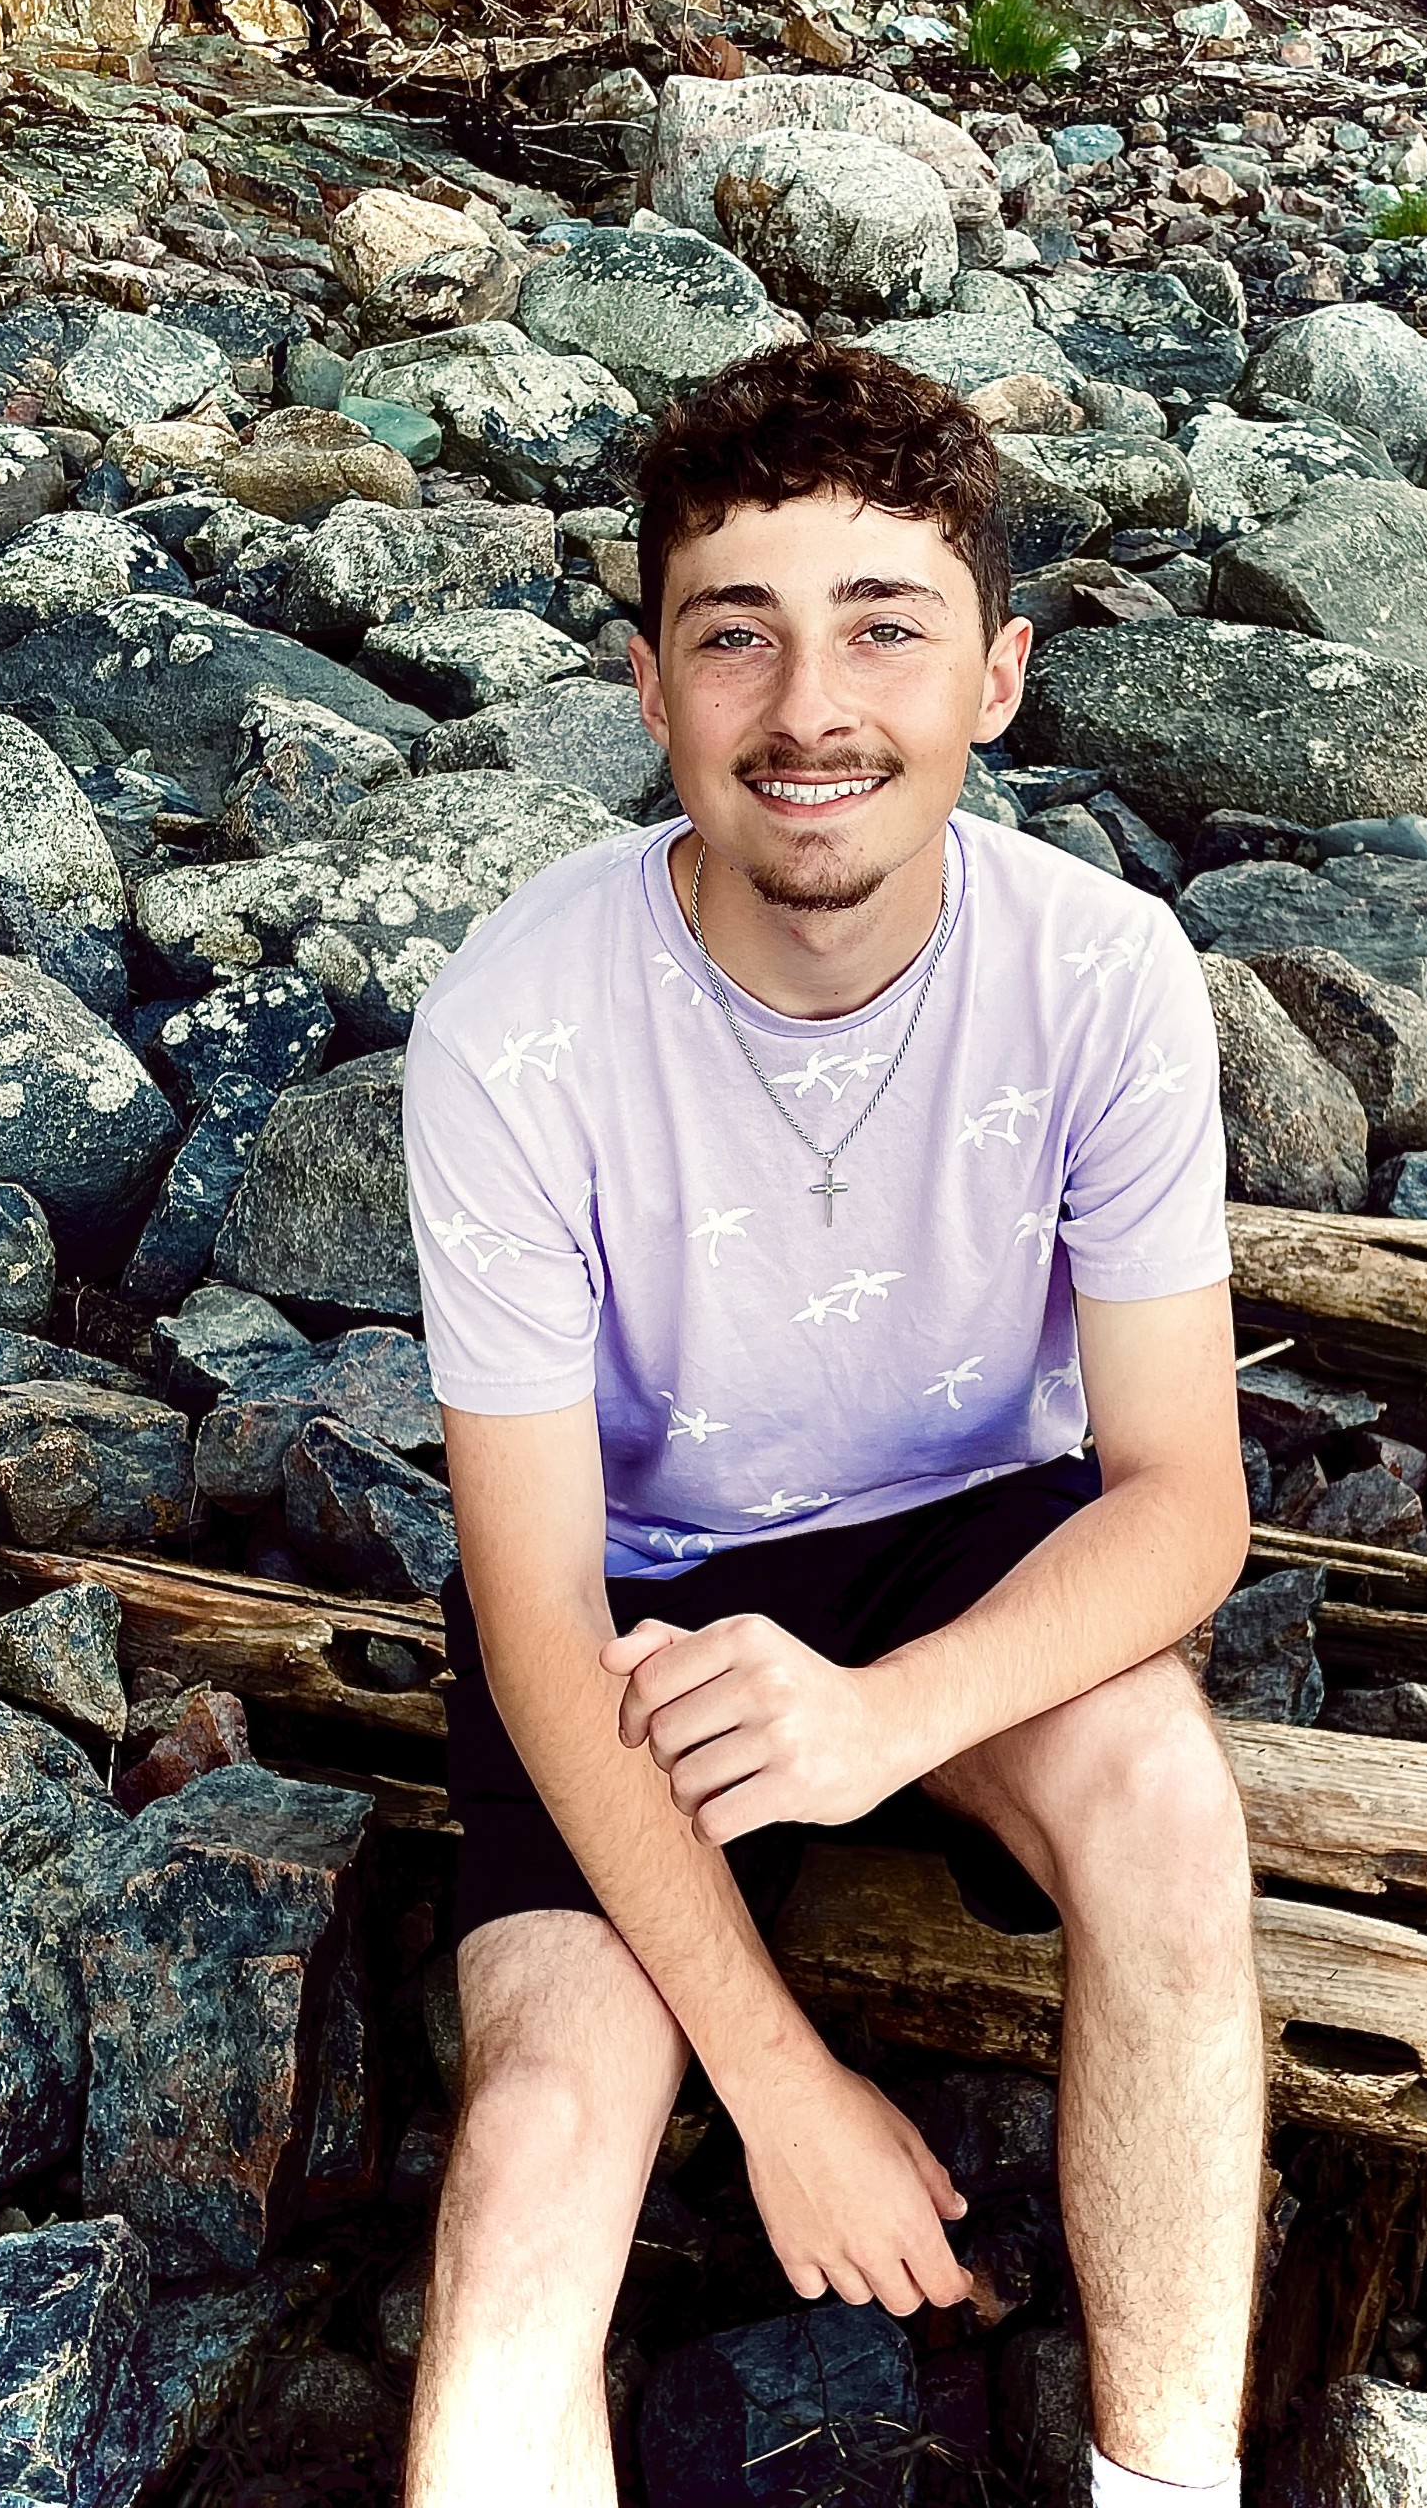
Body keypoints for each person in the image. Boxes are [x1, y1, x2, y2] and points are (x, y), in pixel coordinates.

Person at [398, 338, 1261, 2508]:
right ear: (650, 683)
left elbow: (1182, 1503)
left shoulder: (1104, 970)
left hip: (969, 1526)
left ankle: (1172, 2480)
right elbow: (530, 1617)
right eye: (738, 636)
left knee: (1164, 1795)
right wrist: (779, 2088)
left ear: (997, 674)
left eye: (885, 625)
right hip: (642, 1608)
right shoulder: (515, 1025)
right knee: (534, 2139)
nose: (811, 709)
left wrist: (882, 1717)